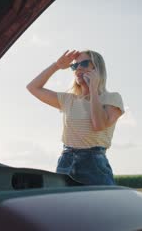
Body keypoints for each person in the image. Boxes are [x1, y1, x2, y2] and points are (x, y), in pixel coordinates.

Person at [26, 50, 124, 185]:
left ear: (97, 68)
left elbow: (99, 125)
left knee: (98, 206)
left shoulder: (112, 98)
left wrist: (93, 90)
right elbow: (32, 87)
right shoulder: (68, 99)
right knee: (64, 206)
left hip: (94, 163)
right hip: (66, 161)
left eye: (84, 63)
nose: (78, 68)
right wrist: (57, 65)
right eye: (74, 66)